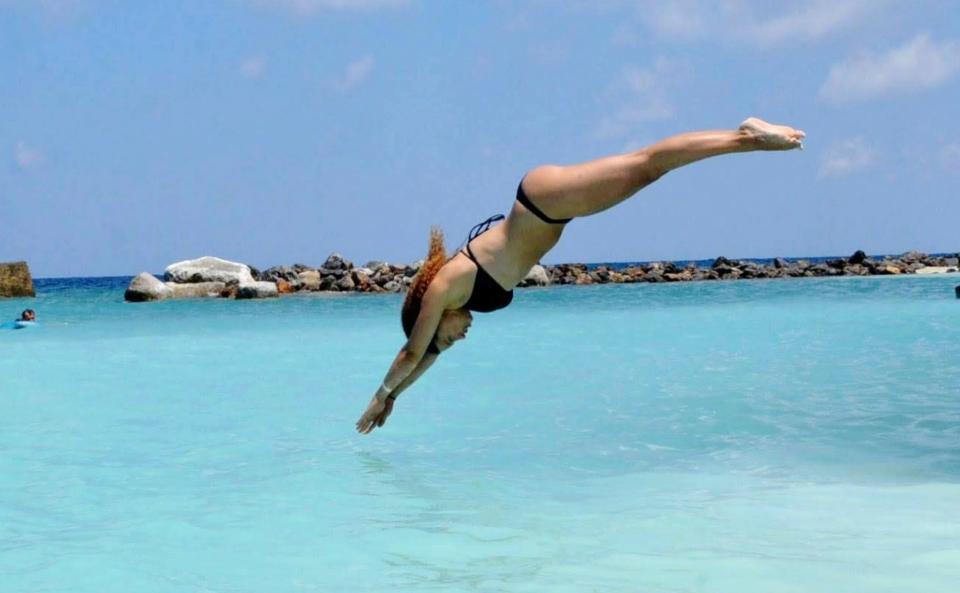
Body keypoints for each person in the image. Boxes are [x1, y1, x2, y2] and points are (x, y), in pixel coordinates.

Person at [356, 117, 805, 434]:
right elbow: (427, 355)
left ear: (432, 314)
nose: (459, 338)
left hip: (543, 203)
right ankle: (744, 139)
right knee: (647, 169)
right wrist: (396, 398)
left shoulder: (445, 287)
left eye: (449, 336)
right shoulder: (459, 296)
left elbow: (414, 350)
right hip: (550, 210)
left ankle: (747, 137)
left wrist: (380, 393)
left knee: (648, 163)